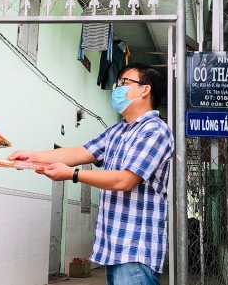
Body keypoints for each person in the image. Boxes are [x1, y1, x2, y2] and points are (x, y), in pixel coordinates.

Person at [9, 63, 174, 285]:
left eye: (125, 82)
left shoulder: (155, 130)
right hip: (114, 247)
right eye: (118, 84)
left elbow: (125, 180)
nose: (118, 89)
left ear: (146, 89)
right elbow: (78, 152)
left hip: (136, 248)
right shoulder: (117, 131)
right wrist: (31, 156)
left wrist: (72, 175)